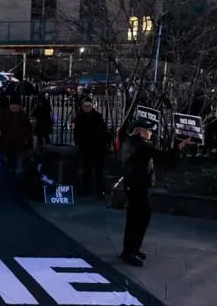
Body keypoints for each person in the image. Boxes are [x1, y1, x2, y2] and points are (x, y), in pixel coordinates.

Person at [119, 118, 189, 267]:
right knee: (139, 218)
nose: (151, 133)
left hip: (133, 185)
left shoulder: (130, 141)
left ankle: (131, 249)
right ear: (140, 131)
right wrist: (179, 147)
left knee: (135, 218)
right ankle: (130, 252)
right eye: (148, 130)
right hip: (139, 186)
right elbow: (163, 157)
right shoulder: (141, 146)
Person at [73, 99, 110, 196]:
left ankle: (99, 190)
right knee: (87, 169)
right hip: (85, 147)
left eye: (89, 106)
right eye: (85, 106)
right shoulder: (79, 117)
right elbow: (76, 132)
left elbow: (102, 131)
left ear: (92, 106)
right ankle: (87, 190)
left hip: (97, 147)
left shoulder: (97, 117)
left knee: (98, 170)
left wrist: (102, 142)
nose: (87, 108)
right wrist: (78, 142)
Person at [0, 96, 34, 174]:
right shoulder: (4, 114)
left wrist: (29, 141)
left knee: (19, 166)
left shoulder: (23, 116)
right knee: (8, 165)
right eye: (13, 105)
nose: (15, 107)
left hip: (20, 145)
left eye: (17, 105)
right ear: (10, 105)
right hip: (7, 144)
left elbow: (29, 129)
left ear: (19, 106)